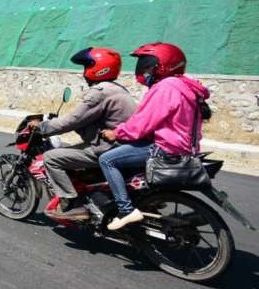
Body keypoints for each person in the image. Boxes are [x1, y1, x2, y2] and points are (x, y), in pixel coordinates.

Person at [99, 42, 209, 230]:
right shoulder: (185, 86)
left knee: (107, 159)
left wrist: (116, 133)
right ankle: (143, 200)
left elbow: (141, 124)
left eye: (148, 64)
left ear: (163, 65)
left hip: (166, 148)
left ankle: (126, 210)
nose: (144, 69)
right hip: (184, 148)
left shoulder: (165, 87)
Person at [28, 47, 137, 220]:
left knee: (51, 157)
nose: (84, 72)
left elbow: (72, 121)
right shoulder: (118, 89)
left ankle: (73, 204)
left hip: (107, 148)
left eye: (87, 66)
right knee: (68, 149)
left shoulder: (99, 93)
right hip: (124, 146)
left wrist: (42, 127)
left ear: (99, 68)